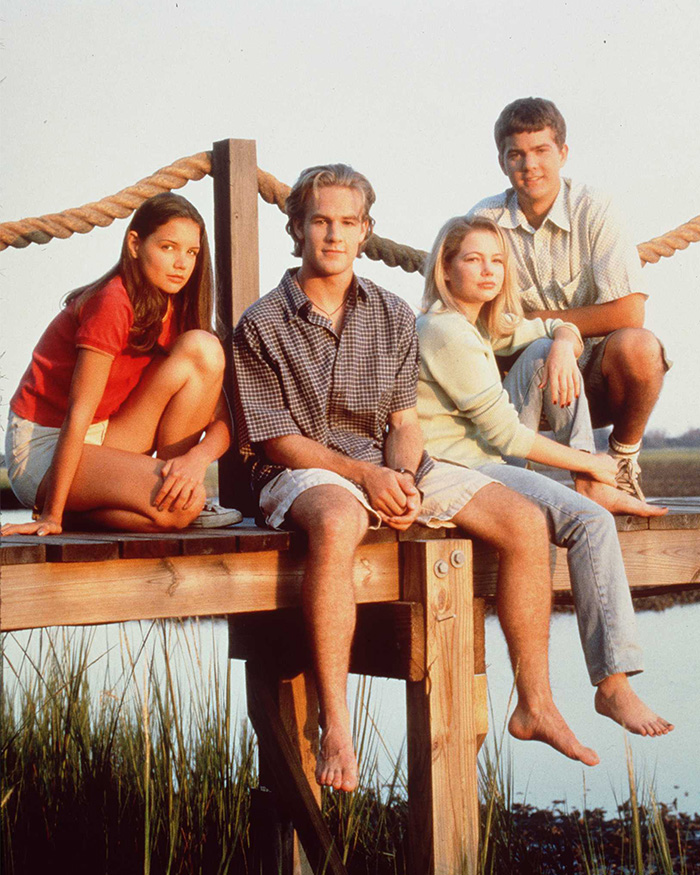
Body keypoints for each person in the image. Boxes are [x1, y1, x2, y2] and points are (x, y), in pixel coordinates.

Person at [233, 164, 638, 797]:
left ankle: (535, 703)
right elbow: (274, 438)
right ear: (296, 228)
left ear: (366, 231)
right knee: (341, 519)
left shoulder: (394, 315)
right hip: (302, 468)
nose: (334, 236)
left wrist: (400, 475)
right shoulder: (262, 323)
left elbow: (402, 419)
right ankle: (336, 725)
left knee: (524, 521)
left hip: (384, 459)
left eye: (347, 223)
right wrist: (366, 476)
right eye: (320, 222)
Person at [417, 215, 673, 762]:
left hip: (484, 458)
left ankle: (586, 484)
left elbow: (543, 329)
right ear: (445, 267)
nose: (488, 271)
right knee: (590, 521)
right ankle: (612, 683)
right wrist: (596, 462)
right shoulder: (444, 329)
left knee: (540, 356)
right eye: (473, 260)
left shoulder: (482, 324)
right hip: (456, 467)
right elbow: (504, 434)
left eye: (497, 261)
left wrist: (562, 341)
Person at [2, 192, 239, 537]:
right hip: (46, 448)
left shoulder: (176, 311)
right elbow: (79, 413)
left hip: (104, 435)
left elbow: (222, 423)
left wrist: (194, 462)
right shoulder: (112, 302)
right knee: (183, 508)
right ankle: (68, 512)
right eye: (168, 247)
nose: (181, 264)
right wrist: (51, 516)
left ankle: (172, 489)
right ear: (134, 244)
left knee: (204, 348)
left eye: (191, 252)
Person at [468, 97, 669, 501]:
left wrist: (554, 328)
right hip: (524, 379)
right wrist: (548, 339)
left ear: (562, 153)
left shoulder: (594, 208)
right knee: (524, 349)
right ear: (502, 162)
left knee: (641, 348)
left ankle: (620, 462)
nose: (530, 166)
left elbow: (631, 311)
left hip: (596, 380)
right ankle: (504, 480)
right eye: (517, 155)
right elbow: (469, 315)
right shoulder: (484, 221)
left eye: (542, 151)